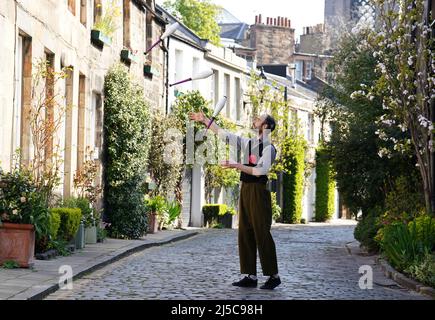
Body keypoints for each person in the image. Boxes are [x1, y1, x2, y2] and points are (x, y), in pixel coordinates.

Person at [189, 112, 281, 290]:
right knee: (245, 231)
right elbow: (225, 135)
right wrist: (205, 120)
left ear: (266, 126)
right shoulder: (250, 143)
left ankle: (273, 275)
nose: (255, 119)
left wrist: (236, 165)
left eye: (259, 119)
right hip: (246, 189)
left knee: (261, 232)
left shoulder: (269, 148)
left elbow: (260, 171)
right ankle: (250, 275)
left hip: (258, 191)